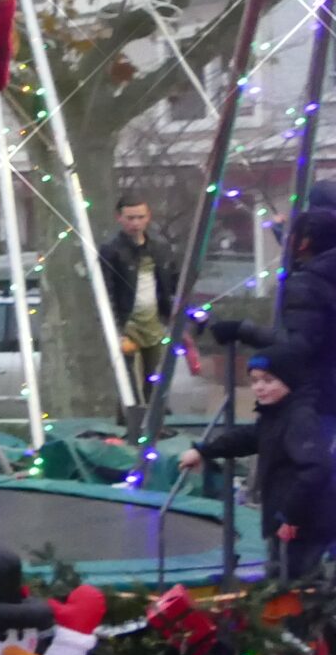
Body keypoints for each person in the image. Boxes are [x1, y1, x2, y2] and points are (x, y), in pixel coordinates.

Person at [182, 355, 334, 579]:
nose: (259, 387)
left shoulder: (299, 418)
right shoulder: (275, 414)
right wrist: (205, 450)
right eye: (254, 381)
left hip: (302, 522)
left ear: (288, 381)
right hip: (285, 516)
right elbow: (250, 437)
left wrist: (291, 516)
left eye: (268, 381)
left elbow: (315, 468)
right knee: (283, 573)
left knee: (295, 581)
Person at [204, 207, 336, 410]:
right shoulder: (323, 276)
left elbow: (298, 345)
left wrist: (243, 330)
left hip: (319, 392)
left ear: (305, 242)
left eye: (292, 235)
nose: (288, 240)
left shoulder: (307, 284)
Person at [100, 197, 180, 400]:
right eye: (130, 218)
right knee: (127, 382)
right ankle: (131, 415)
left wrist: (174, 312)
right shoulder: (111, 251)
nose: (136, 223)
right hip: (126, 324)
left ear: (148, 217)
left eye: (140, 217)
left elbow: (173, 282)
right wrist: (115, 328)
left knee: (155, 378)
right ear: (119, 218)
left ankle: (155, 414)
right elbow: (107, 292)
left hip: (155, 322)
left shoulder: (160, 248)